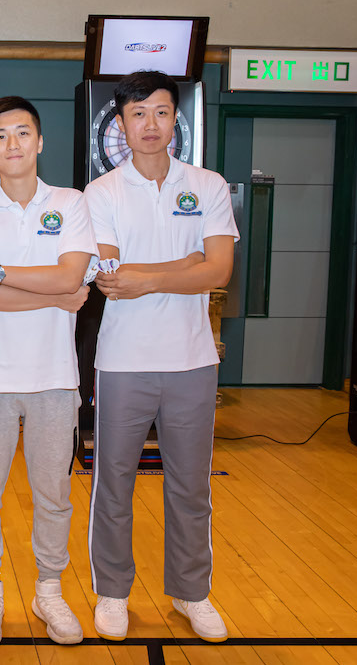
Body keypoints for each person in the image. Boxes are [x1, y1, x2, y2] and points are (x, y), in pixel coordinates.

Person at [83, 70, 238, 643]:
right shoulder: (101, 193)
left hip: (193, 360)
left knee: (191, 487)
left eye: (162, 112)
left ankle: (192, 592)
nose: (150, 124)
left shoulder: (208, 185)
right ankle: (112, 592)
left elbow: (220, 271)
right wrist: (186, 265)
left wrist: (149, 276)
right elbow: (110, 278)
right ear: (121, 123)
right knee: (114, 483)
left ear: (176, 120)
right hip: (123, 362)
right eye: (138, 113)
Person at [0, 96, 96, 646]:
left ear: (40, 141)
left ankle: (49, 590)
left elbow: (71, 276)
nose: (12, 144)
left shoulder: (71, 203)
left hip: (54, 378)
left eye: (22, 133)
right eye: (1, 136)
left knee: (53, 494)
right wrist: (53, 294)